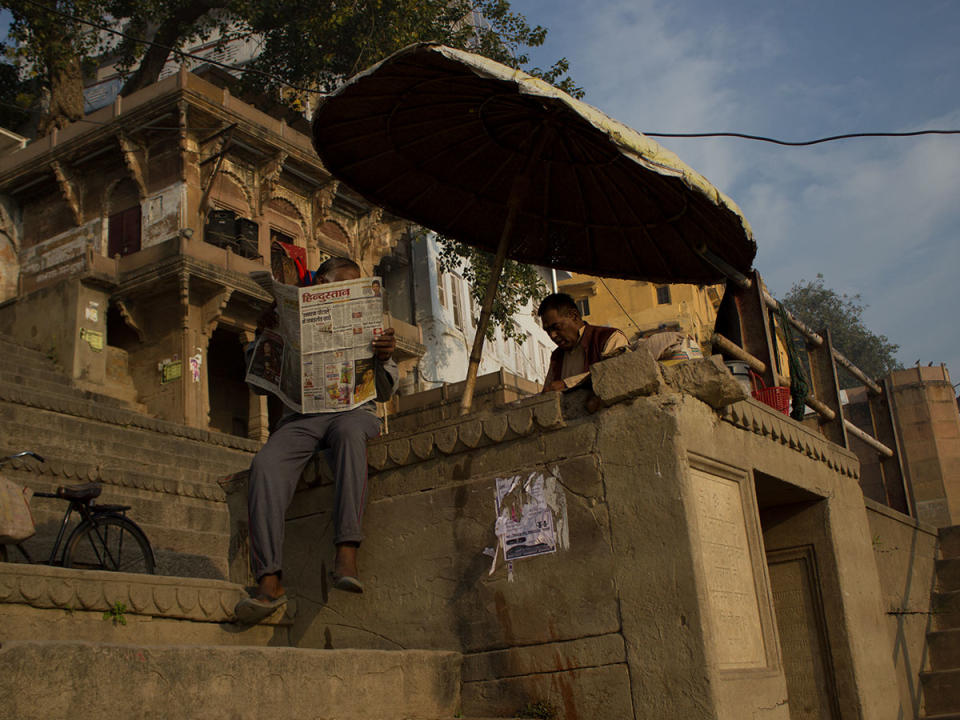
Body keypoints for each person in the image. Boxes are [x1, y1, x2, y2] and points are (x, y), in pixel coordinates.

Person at [235, 256, 397, 624]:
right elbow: (255, 381)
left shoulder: (372, 320)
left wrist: (384, 357)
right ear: (320, 283)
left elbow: (385, 393)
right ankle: (269, 579)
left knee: (350, 435)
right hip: (300, 417)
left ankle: (346, 551)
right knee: (264, 465)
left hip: (354, 411)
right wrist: (265, 338)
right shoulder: (288, 314)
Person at [538, 293, 628, 392]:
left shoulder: (609, 337)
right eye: (548, 331)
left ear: (574, 316)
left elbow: (616, 372)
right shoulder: (557, 357)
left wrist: (567, 384)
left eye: (557, 327)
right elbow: (549, 392)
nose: (552, 335)